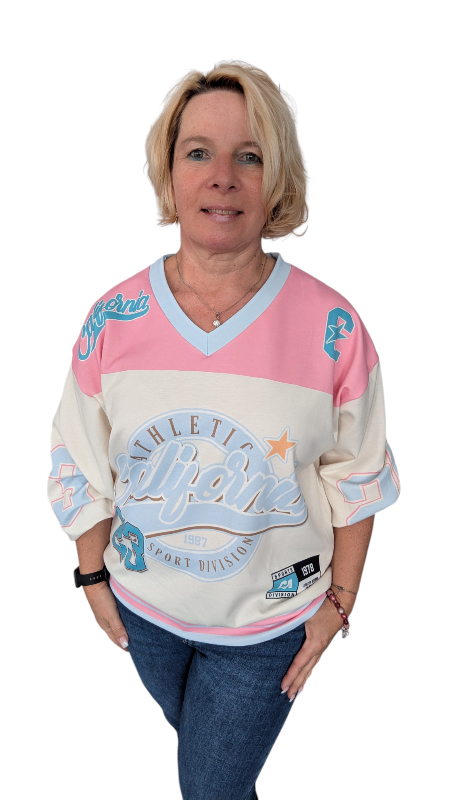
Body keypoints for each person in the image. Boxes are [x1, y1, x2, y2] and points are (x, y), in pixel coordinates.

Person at [48, 61, 400, 800]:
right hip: (143, 613)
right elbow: (77, 456)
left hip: (268, 627)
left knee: (209, 788)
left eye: (251, 155)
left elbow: (358, 476)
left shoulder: (332, 328)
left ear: (278, 178)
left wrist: (339, 603)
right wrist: (92, 576)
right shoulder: (114, 320)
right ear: (169, 172)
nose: (223, 177)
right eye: (199, 152)